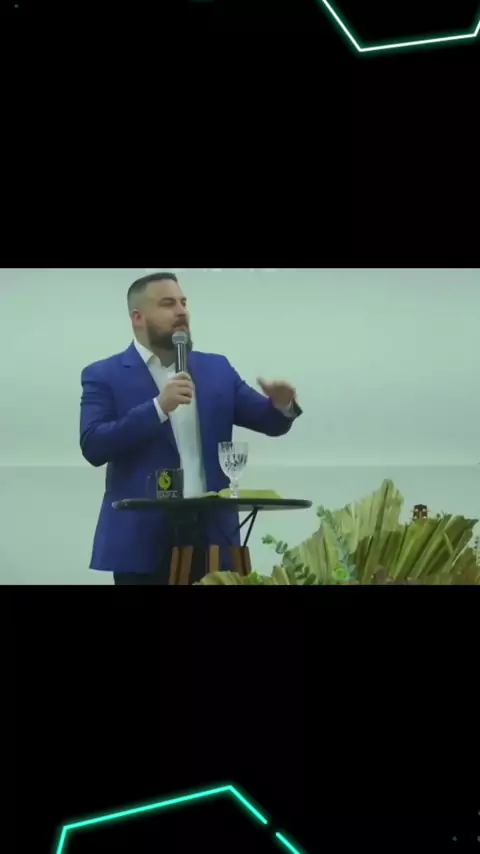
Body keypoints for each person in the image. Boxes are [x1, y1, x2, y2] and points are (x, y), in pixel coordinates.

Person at [80, 272, 302, 585]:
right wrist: (158, 408)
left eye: (183, 303)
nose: (181, 311)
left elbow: (269, 422)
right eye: (167, 304)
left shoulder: (216, 369)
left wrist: (282, 405)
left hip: (212, 538)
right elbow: (94, 445)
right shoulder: (104, 374)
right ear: (138, 317)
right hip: (142, 544)